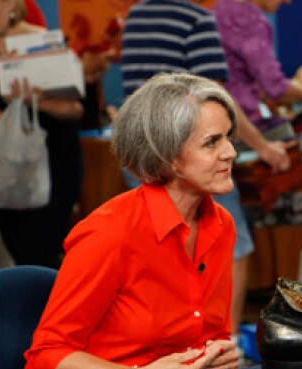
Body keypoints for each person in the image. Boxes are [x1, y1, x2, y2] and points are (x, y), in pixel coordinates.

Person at [24, 73, 240, 369]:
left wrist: (216, 356)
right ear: (168, 157)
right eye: (212, 142)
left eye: (228, 137)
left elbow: (211, 334)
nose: (230, 152)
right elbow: (48, 355)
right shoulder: (110, 232)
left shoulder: (221, 224)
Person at [121, 0, 290, 346]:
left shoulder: (136, 15)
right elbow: (214, 103)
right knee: (234, 243)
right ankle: (223, 346)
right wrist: (261, 146)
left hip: (141, 150)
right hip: (186, 154)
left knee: (160, 251)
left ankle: (179, 346)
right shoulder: (197, 19)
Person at [0, 0, 85, 269]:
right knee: (20, 254)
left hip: (56, 163)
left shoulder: (41, 41)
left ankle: (47, 308)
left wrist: (34, 101)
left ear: (10, 3)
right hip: (6, 171)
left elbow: (75, 109)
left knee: (40, 255)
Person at [211, 0, 302, 139]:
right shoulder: (251, 20)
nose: (287, 2)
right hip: (239, 129)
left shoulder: (217, 9)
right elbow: (275, 87)